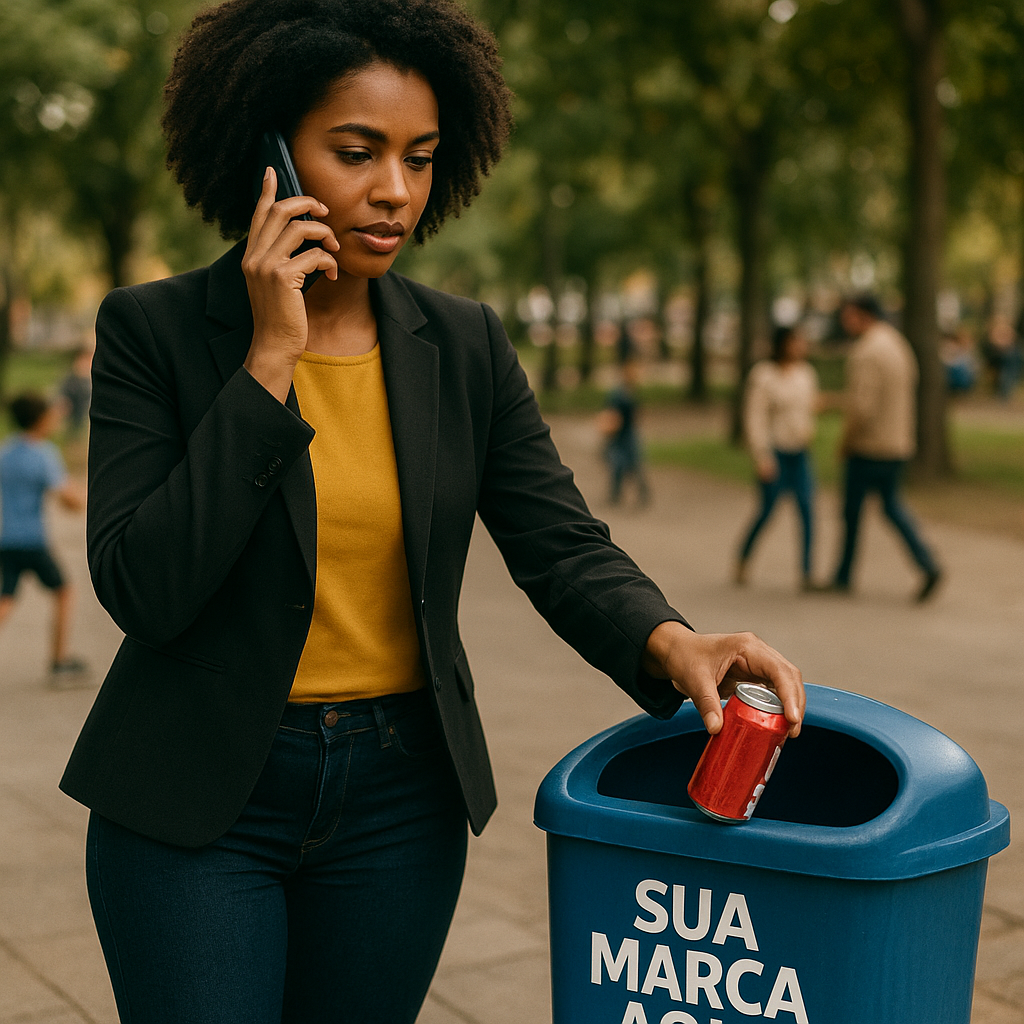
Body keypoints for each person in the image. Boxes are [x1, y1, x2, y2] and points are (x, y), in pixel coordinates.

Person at [58, 3, 805, 1021]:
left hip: (397, 802)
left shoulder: (463, 345)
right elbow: (147, 585)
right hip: (196, 802)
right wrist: (269, 357)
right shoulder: (153, 331)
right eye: (356, 152)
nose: (394, 192)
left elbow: (557, 539)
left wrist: (671, 639)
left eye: (419, 157)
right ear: (267, 150)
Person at [830, 295, 942, 602]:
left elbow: (861, 409)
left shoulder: (867, 351)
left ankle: (842, 576)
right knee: (892, 506)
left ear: (862, 315)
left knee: (853, 512)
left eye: (849, 315)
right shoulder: (897, 344)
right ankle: (927, 563)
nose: (844, 321)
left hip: (870, 446)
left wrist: (845, 442)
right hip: (897, 443)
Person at [0, 391, 88, 683]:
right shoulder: (43, 454)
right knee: (64, 591)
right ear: (39, 420)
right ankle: (59, 661)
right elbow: (69, 501)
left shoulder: (6, 451)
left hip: (6, 538)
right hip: (32, 540)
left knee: (6, 598)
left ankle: (60, 660)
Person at [736, 324, 819, 590]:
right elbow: (755, 416)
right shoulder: (764, 376)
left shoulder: (806, 374)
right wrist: (762, 455)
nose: (801, 346)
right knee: (767, 510)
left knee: (807, 509)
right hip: (776, 453)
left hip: (800, 453)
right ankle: (744, 558)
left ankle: (806, 571)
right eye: (796, 341)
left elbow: (809, 407)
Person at [598, 355, 650, 506]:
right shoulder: (619, 394)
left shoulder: (630, 392)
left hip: (629, 433)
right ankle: (616, 494)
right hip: (620, 434)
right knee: (620, 464)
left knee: (633, 463)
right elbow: (611, 414)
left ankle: (641, 492)